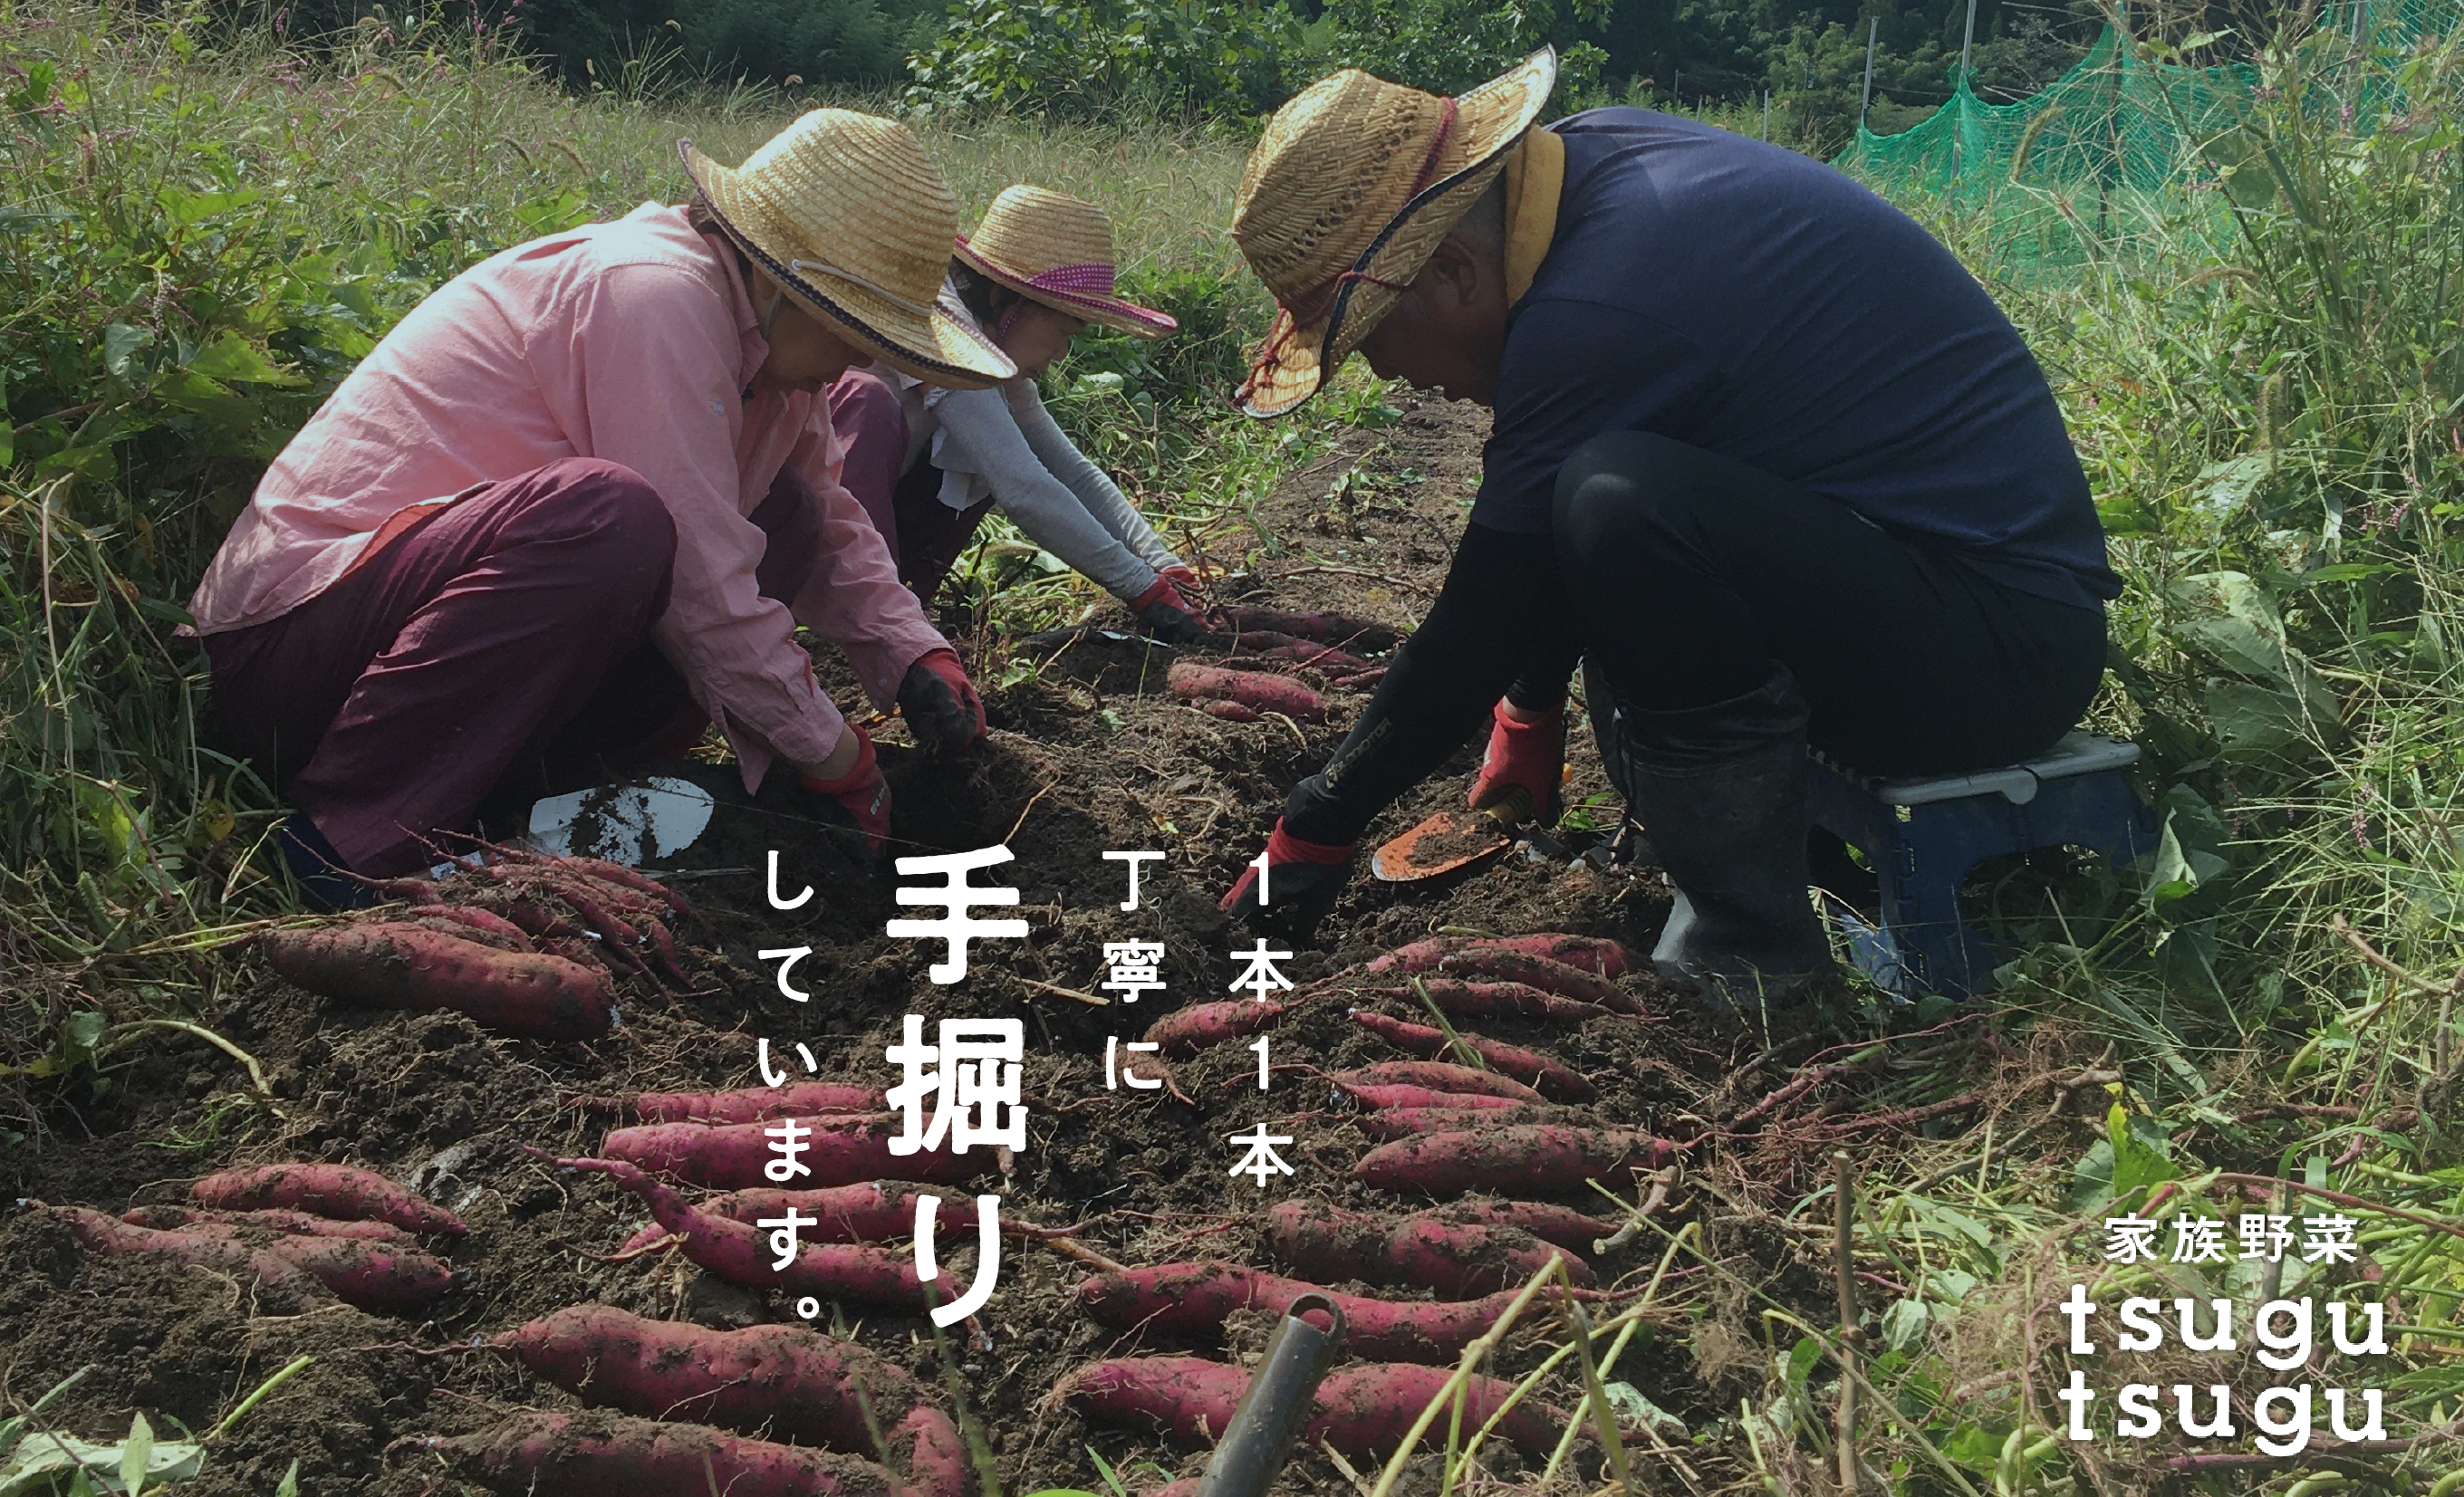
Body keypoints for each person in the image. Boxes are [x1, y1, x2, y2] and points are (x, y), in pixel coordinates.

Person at [1217, 50, 2115, 1007]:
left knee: (1621, 503)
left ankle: (1753, 959)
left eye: (1373, 342)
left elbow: (1483, 613)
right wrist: (1527, 709)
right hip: (1916, 588)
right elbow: (1538, 557)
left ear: (1450, 268)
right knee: (1607, 510)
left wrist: (1318, 820)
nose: (1389, 379)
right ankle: (1732, 851)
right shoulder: (1590, 167)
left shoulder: (1598, 307)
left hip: (1999, 653)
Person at [180, 109, 1014, 905]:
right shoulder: (655, 297)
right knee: (607, 514)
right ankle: (349, 846)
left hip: (429, 664)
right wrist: (830, 751)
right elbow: (699, 578)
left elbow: (828, 521)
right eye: (854, 327)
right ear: (782, 280)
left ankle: (532, 805)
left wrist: (912, 654)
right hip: (296, 650)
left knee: (786, 512)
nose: (860, 358)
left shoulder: (765, 350)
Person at [828, 186, 1208, 640]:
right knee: (875, 406)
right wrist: (1142, 589)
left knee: (994, 448)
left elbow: (1070, 470)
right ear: (1011, 304)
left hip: (865, 514)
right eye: (1062, 331)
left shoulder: (994, 353)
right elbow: (1022, 486)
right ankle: (866, 613)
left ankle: (895, 607)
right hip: (801, 516)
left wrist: (1164, 565)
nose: (1059, 355)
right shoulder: (942, 328)